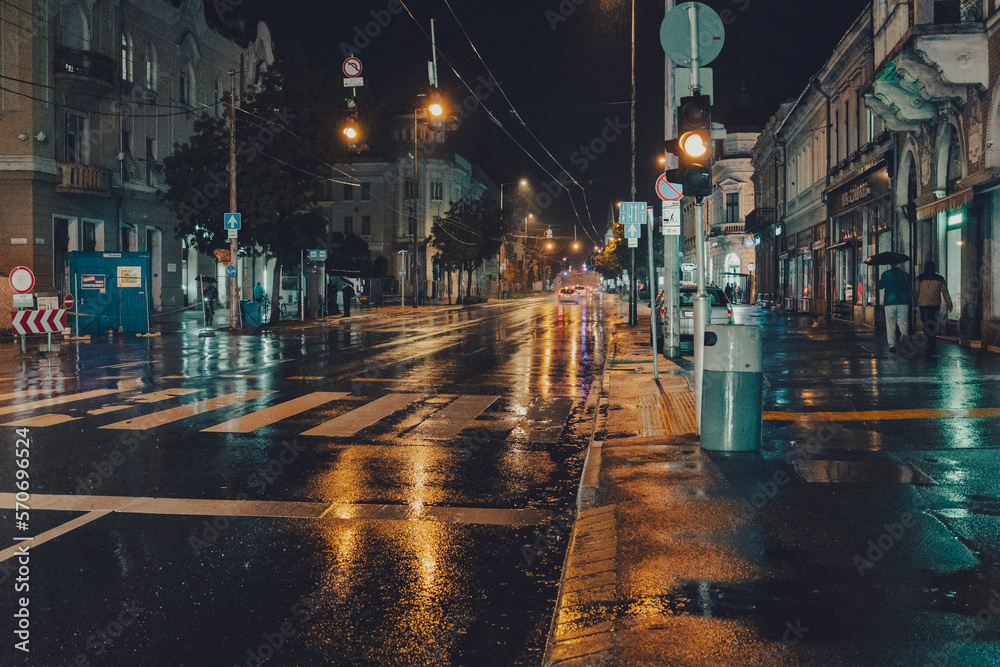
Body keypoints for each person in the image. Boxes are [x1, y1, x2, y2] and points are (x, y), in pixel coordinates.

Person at [916, 260, 953, 351]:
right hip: (935, 304)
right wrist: (949, 303)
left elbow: (916, 291)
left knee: (926, 322)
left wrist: (914, 301)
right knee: (933, 322)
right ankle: (932, 340)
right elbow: (945, 292)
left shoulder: (920, 278)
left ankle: (928, 340)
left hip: (924, 304)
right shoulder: (940, 278)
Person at [877, 262, 911, 351]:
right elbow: (909, 288)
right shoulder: (905, 275)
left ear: (890, 265)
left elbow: (880, 286)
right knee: (903, 321)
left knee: (890, 323)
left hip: (890, 302)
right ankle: (904, 336)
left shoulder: (886, 274)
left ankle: (892, 345)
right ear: (899, 264)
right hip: (903, 301)